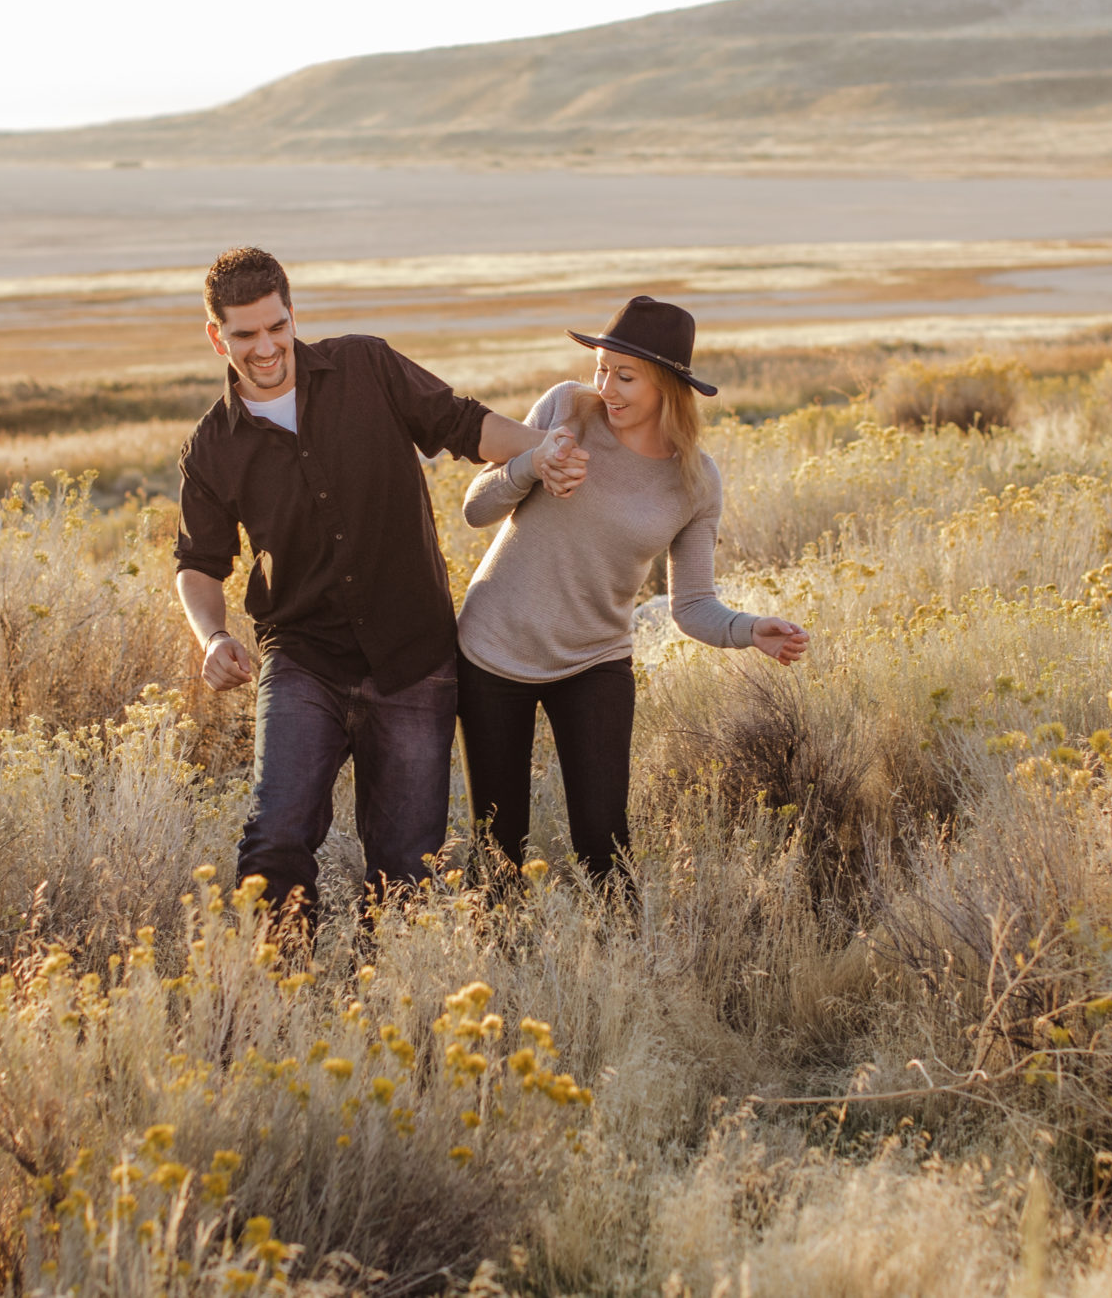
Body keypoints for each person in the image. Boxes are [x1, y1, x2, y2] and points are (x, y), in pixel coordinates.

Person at [172, 246, 588, 931]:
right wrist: (212, 635)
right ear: (217, 336)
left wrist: (538, 452)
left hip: (412, 659)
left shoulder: (365, 365)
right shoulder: (211, 446)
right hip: (304, 657)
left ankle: (391, 1005)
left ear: (291, 312)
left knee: (406, 873)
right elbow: (198, 562)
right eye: (245, 334)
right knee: (275, 838)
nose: (266, 346)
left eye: (276, 326)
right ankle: (281, 1003)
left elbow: (460, 422)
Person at [455, 294, 808, 887]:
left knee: (605, 841)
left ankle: (623, 962)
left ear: (668, 386)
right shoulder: (568, 407)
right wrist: (533, 464)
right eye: (601, 367)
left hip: (595, 659)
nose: (606, 387)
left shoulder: (696, 480)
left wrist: (751, 630)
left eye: (625, 376)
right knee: (497, 847)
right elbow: (476, 508)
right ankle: (499, 969)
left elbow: (692, 605)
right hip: (494, 650)